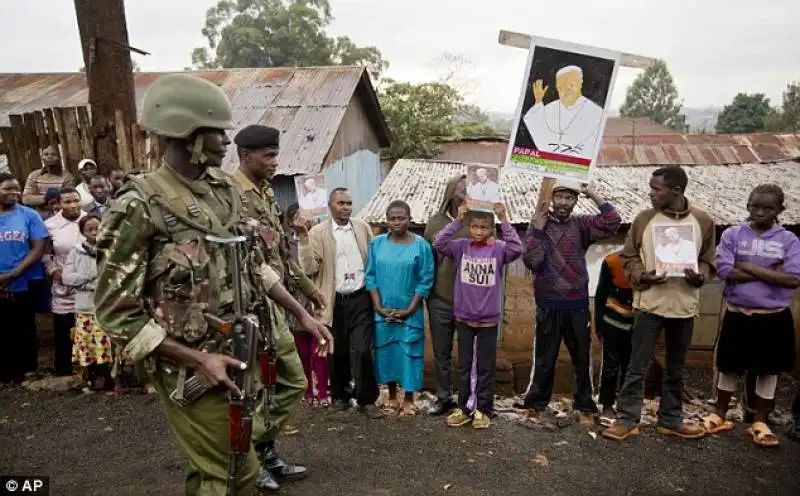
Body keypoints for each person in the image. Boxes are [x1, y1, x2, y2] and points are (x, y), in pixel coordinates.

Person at [93, 73, 332, 496]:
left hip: (237, 353)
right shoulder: (139, 206)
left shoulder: (223, 192)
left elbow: (254, 265)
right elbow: (116, 313)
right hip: (191, 367)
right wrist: (196, 359)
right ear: (186, 135)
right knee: (234, 472)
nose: (226, 142)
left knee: (215, 468)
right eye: (216, 132)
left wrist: (301, 316)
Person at [232, 123, 330, 492]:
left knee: (290, 382)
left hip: (273, 308)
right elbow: (253, 266)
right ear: (244, 155)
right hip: (244, 310)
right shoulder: (233, 197)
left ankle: (261, 448)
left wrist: (307, 287)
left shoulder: (265, 194)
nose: (275, 161)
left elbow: (277, 255)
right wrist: (301, 310)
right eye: (268, 155)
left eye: (276, 153)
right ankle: (251, 459)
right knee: (251, 390)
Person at [603, 166, 715, 441]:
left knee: (676, 367)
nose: (651, 193)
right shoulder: (644, 219)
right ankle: (627, 419)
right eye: (651, 188)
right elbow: (628, 257)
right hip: (649, 304)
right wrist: (643, 275)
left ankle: (671, 419)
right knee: (636, 366)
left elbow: (708, 258)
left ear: (676, 190)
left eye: (657, 189)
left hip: (683, 304)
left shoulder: (702, 220)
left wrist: (700, 276)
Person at [700, 184, 799, 447]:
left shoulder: (788, 240)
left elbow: (792, 279)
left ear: (780, 210)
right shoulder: (733, 234)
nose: (760, 212)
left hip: (773, 316)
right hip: (738, 313)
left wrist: (745, 265)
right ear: (748, 205)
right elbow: (725, 270)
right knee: (729, 366)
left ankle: (760, 420)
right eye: (755, 206)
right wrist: (770, 271)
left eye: (768, 208)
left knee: (769, 370)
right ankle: (719, 413)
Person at [521, 179, 621, 429]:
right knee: (545, 358)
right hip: (548, 302)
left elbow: (612, 221)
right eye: (560, 197)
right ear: (551, 199)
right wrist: (537, 230)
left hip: (576, 303)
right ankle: (536, 406)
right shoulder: (540, 225)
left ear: (576, 201)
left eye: (570, 198)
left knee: (581, 357)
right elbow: (533, 261)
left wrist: (592, 193)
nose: (564, 202)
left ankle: (584, 405)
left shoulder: (582, 225)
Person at [433, 202, 522, 428]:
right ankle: (464, 408)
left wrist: (504, 219)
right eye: (474, 226)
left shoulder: (499, 249)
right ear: (469, 227)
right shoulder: (461, 247)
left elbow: (517, 248)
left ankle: (484, 409)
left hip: (488, 321)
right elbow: (439, 242)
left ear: (491, 229)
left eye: (484, 227)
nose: (479, 231)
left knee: (485, 367)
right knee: (464, 366)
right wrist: (458, 221)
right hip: (463, 317)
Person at [299, 187, 384, 418]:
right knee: (337, 350)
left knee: (364, 349)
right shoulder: (317, 233)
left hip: (360, 297)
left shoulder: (362, 228)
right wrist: (304, 239)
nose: (346, 207)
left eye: (348, 203)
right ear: (330, 206)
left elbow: (372, 259)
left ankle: (367, 399)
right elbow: (308, 268)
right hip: (333, 300)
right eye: (341, 203)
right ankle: (340, 396)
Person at [366, 200, 434, 416]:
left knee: (410, 353)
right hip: (383, 313)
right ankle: (393, 395)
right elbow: (371, 277)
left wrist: (409, 310)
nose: (397, 222)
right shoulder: (377, 244)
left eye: (401, 218)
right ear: (386, 220)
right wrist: (378, 307)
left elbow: (425, 280)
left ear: (409, 219)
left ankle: (409, 398)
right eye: (392, 218)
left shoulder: (421, 245)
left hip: (409, 313)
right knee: (387, 353)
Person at [423, 174, 479, 415]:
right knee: (441, 351)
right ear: (450, 191)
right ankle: (444, 396)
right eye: (461, 185)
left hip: (470, 299)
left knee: (468, 353)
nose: (466, 189)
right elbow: (427, 260)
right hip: (441, 298)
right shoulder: (435, 222)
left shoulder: (479, 220)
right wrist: (428, 293)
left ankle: (466, 399)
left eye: (469, 186)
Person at [0, 173, 48, 384]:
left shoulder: (29, 215)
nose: (14, 193)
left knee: (24, 325)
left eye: (17, 188)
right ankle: (6, 372)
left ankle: (28, 367)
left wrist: (12, 274)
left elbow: (38, 248)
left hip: (22, 278)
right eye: (8, 189)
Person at [283, 203, 330, 407]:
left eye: (308, 216)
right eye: (299, 218)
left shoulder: (320, 238)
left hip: (318, 301)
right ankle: (307, 390)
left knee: (319, 350)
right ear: (291, 222)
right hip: (295, 303)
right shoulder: (285, 245)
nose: (305, 221)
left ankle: (323, 393)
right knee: (302, 352)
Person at [63, 214, 113, 391]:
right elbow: (67, 277)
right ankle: (91, 377)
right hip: (85, 306)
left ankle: (108, 376)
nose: (94, 232)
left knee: (105, 343)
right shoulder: (76, 251)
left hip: (106, 305)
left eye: (97, 228)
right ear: (82, 232)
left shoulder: (111, 250)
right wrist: (91, 277)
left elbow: (112, 278)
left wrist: (87, 283)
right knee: (88, 344)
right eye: (89, 229)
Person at [44, 186, 85, 377]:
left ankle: (91, 369)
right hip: (63, 284)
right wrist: (53, 271)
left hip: (88, 283)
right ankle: (64, 369)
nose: (73, 205)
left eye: (76, 200)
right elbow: (44, 253)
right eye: (67, 202)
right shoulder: (50, 225)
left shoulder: (90, 220)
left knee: (89, 326)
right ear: (58, 204)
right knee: (63, 328)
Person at [522, 65, 604, 159]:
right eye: (561, 87)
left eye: (571, 85)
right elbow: (536, 127)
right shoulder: (550, 109)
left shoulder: (596, 112)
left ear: (580, 83)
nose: (566, 90)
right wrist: (538, 102)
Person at [593, 251, 634, 427]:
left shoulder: (651, 260)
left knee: (631, 367)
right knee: (610, 365)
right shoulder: (612, 261)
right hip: (612, 320)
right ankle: (607, 405)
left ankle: (626, 407)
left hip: (639, 322)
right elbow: (600, 293)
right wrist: (599, 325)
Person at [23, 145, 76, 217]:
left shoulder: (67, 177)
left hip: (61, 215)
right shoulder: (34, 175)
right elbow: (26, 199)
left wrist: (39, 199)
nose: (50, 157)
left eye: (53, 154)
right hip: (39, 216)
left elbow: (68, 199)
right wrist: (48, 198)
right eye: (46, 154)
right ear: (42, 158)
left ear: (59, 158)